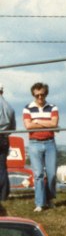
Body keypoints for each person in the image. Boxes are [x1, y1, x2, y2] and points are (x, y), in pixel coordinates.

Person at [23, 82, 59, 212]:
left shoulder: (53, 107)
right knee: (38, 174)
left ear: (46, 94)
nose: (40, 97)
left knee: (52, 174)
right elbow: (28, 126)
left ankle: (49, 199)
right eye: (37, 95)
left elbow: (54, 123)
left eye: (42, 94)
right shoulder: (27, 108)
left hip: (50, 143)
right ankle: (39, 203)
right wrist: (47, 123)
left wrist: (37, 121)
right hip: (34, 143)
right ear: (33, 94)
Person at [0, 82, 16, 215]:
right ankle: (4, 194)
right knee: (2, 167)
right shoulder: (9, 106)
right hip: (4, 138)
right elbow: (13, 127)